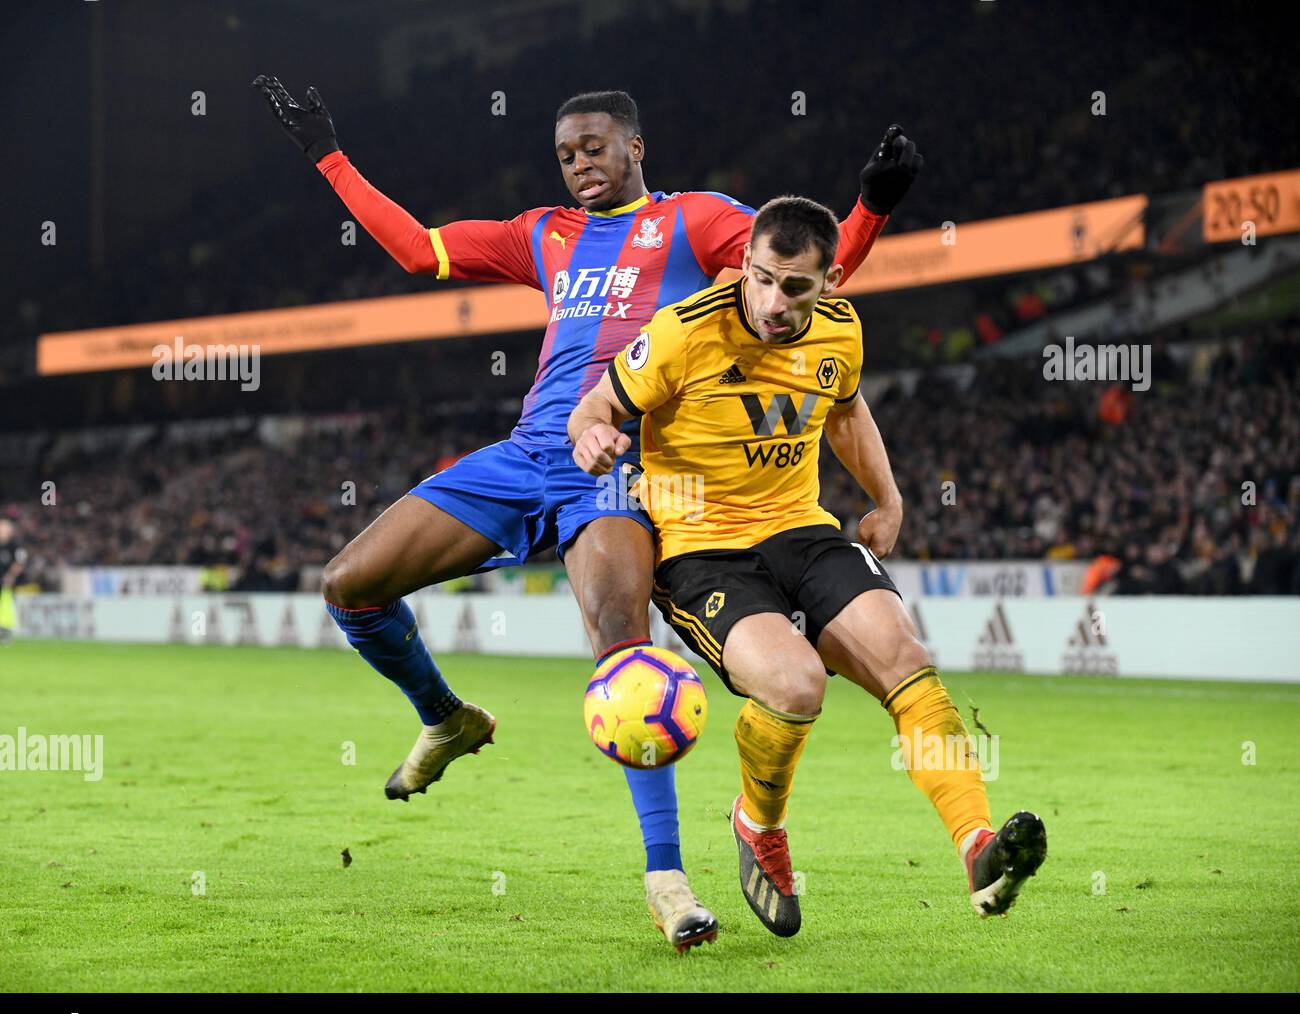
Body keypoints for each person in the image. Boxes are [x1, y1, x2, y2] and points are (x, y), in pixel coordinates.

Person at [254, 75, 918, 950]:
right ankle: (446, 716)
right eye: (566, 153)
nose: (579, 165)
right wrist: (327, 156)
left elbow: (800, 282)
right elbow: (418, 251)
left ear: (634, 148)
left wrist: (868, 207)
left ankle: (668, 880)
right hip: (531, 451)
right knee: (349, 586)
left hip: (619, 460)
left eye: (594, 148)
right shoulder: (542, 233)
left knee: (622, 646)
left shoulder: (696, 219)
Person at [569, 196, 1046, 936]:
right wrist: (592, 437)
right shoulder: (682, 333)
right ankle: (758, 822)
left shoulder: (842, 331)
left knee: (905, 657)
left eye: (796, 287)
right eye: (761, 278)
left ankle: (977, 847)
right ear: (746, 264)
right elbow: (593, 405)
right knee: (796, 684)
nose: (772, 302)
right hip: (704, 550)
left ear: (829, 281)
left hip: (802, 529)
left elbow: (847, 410)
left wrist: (886, 497)